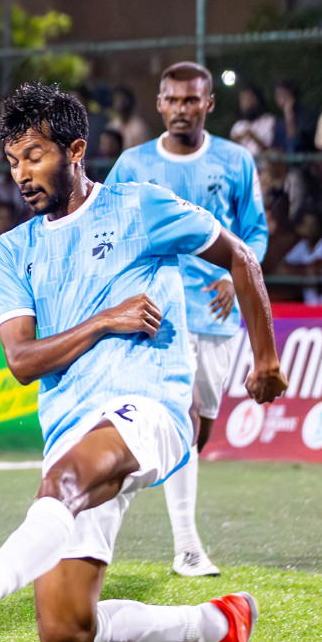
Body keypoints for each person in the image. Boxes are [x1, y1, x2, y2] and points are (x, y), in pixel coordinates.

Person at [0, 82, 284, 642]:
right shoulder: (12, 251)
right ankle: (219, 624)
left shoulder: (138, 206)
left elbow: (240, 259)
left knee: (61, 482)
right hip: (70, 424)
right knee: (65, 629)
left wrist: (265, 358)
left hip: (149, 403)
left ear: (75, 150)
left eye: (35, 156)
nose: (22, 175)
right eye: (13, 161)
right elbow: (20, 361)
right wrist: (104, 320)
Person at [103, 62, 267, 578]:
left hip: (217, 313)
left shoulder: (236, 161)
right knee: (187, 412)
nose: (181, 109)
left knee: (199, 430)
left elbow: (256, 232)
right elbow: (105, 227)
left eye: (191, 101)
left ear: (208, 105)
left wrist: (233, 277)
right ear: (159, 105)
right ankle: (188, 547)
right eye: (172, 100)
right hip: (160, 314)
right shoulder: (132, 164)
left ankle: (154, 477)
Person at [230, 86, 276, 157]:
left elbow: (271, 152)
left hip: (261, 164)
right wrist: (235, 141)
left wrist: (253, 137)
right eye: (243, 99)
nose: (246, 103)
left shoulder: (269, 121)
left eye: (249, 98)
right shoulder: (238, 126)